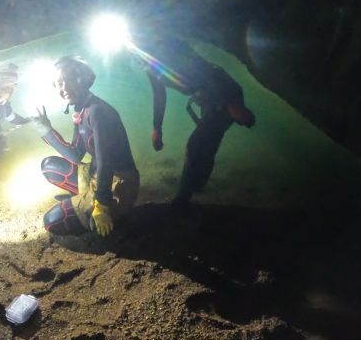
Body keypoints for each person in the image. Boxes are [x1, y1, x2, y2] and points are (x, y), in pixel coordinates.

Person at [140, 39, 256, 211]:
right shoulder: (150, 67)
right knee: (207, 143)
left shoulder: (170, 50)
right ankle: (197, 187)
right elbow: (159, 97)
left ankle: (183, 199)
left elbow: (209, 71)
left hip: (225, 91)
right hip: (209, 98)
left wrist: (231, 104)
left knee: (196, 144)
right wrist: (157, 127)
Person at [32, 56, 139, 236]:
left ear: (83, 79)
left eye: (69, 79)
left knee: (51, 222)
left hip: (119, 183)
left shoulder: (98, 111)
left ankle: (104, 208)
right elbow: (75, 155)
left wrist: (102, 205)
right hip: (96, 174)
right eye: (59, 83)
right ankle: (84, 199)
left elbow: (107, 162)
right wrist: (47, 131)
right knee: (48, 166)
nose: (63, 88)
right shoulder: (81, 109)